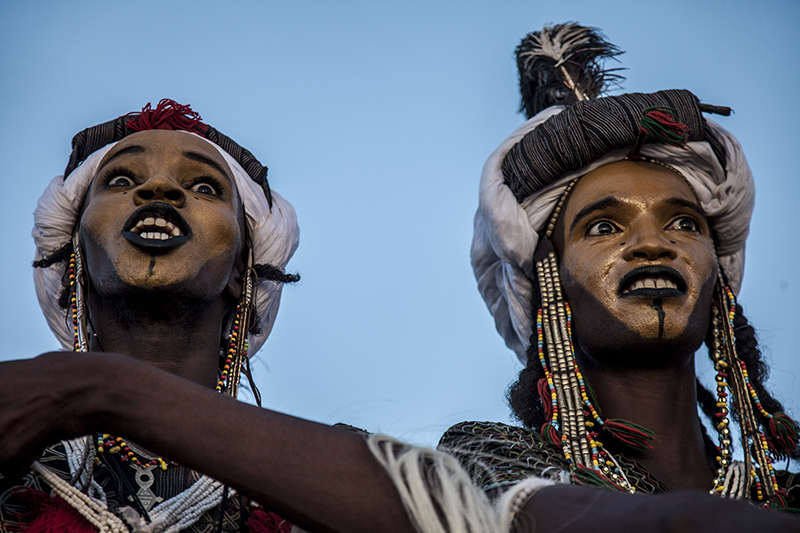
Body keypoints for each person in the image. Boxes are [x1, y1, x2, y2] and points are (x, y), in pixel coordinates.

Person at [0, 99, 497, 533]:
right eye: (122, 179)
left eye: (205, 187)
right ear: (75, 261)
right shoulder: (18, 472)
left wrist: (100, 389)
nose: (160, 189)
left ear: (243, 269)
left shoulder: (326, 482)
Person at [438, 23, 800, 532]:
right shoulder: (492, 470)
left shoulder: (788, 497)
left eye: (684, 223)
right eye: (603, 227)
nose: (654, 244)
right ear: (551, 283)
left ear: (718, 275)